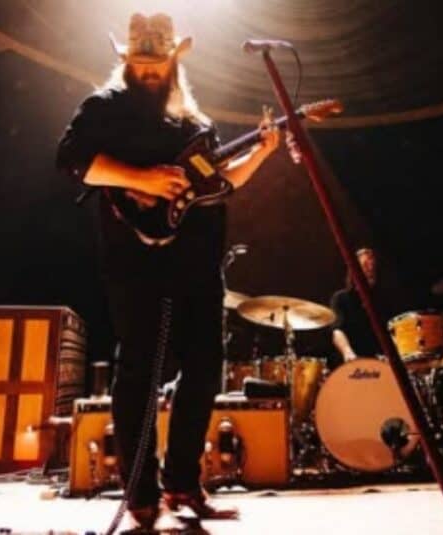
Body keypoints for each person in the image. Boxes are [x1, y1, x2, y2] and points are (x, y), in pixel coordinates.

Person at [56, 13, 280, 530]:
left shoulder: (195, 125)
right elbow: (71, 160)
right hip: (136, 260)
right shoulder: (105, 108)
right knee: (139, 369)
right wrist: (143, 180)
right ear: (128, 61)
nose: (151, 71)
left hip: (199, 264)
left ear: (174, 61)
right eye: (142, 62)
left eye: (159, 62)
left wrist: (263, 155)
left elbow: (221, 184)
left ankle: (184, 482)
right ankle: (141, 493)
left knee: (204, 369)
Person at [329, 247, 407, 369]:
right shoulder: (341, 298)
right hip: (353, 364)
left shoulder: (382, 300)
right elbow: (337, 331)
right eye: (365, 265)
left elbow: (393, 332)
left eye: (372, 265)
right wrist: (348, 352)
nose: (370, 269)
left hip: (380, 363)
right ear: (354, 271)